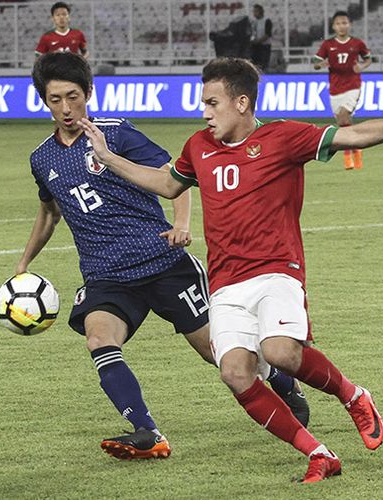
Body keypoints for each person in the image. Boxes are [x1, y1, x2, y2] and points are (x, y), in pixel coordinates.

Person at [78, 57, 383, 482]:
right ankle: (319, 454)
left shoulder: (284, 137)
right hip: (225, 282)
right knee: (235, 372)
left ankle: (353, 395)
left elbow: (354, 135)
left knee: (280, 352)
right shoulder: (197, 147)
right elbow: (168, 184)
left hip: (277, 270)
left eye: (212, 102)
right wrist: (109, 159)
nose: (204, 112)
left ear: (241, 103)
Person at [21, 52, 310, 461]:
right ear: (43, 100)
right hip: (106, 275)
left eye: (73, 96)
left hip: (163, 264)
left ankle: (280, 379)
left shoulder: (117, 135)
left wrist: (182, 224)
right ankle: (147, 431)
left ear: (89, 92)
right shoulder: (42, 158)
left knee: (219, 353)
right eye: (55, 99)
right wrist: (24, 263)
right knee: (99, 338)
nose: (66, 109)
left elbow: (177, 175)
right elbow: (50, 211)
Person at [313, 11, 371, 170]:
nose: (342, 26)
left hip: (353, 86)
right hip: (335, 89)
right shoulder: (327, 44)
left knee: (344, 116)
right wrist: (320, 65)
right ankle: (356, 152)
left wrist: (362, 66)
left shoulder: (357, 43)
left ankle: (349, 160)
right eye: (338, 23)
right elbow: (315, 62)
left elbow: (368, 58)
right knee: (342, 123)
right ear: (333, 26)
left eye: (344, 23)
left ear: (349, 24)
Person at [249, 4, 272, 71]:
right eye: (254, 11)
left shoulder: (267, 20)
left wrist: (258, 41)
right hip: (256, 46)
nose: (254, 13)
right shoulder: (254, 22)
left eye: (256, 11)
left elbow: (267, 34)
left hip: (264, 46)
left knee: (263, 64)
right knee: (255, 63)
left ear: (261, 12)